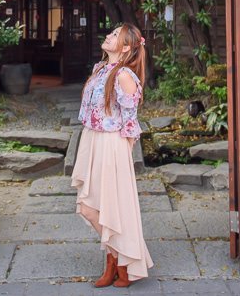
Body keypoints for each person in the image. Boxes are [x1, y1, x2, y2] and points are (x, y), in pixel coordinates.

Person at [71, 23, 154, 287]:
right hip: (91, 139)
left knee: (111, 206)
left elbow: (130, 121)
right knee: (89, 206)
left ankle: (119, 264)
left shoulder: (124, 76)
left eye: (115, 35)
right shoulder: (99, 69)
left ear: (126, 47)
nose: (108, 35)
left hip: (112, 144)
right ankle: (116, 259)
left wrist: (124, 156)